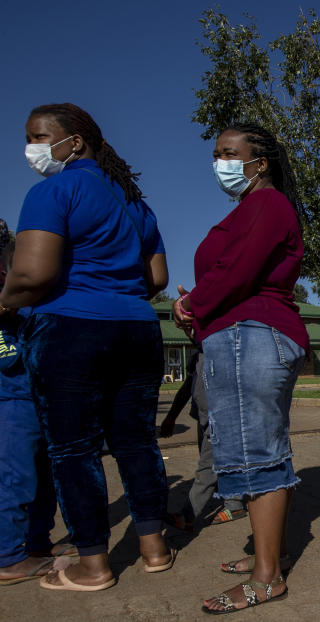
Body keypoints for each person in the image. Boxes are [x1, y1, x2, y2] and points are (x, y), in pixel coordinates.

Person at [0, 103, 173, 591]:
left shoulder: (53, 190)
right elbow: (157, 277)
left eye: (38, 136)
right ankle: (154, 547)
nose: (31, 148)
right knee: (136, 442)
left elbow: (33, 272)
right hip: (138, 330)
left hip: (72, 329)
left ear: (75, 141)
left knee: (73, 450)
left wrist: (5, 302)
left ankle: (93, 564)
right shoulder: (137, 203)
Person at [174, 123, 308, 613]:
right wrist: (199, 307)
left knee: (256, 454)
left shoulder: (267, 204)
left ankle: (267, 577)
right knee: (265, 449)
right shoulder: (252, 207)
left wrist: (193, 305)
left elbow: (237, 270)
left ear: (260, 162)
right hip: (244, 333)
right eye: (216, 153)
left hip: (250, 333)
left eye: (230, 153)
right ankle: (270, 556)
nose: (220, 163)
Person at [0, 227, 70, 586]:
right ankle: (8, 556)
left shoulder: (38, 305)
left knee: (46, 480)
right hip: (15, 403)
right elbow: (8, 358)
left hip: (43, 401)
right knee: (16, 480)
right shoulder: (6, 310)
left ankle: (38, 543)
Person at [160, 352, 247, 531]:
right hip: (204, 418)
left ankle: (188, 515)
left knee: (208, 466)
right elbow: (187, 387)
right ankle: (233, 500)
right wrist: (171, 416)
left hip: (220, 419)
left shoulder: (224, 347)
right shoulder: (199, 352)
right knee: (215, 461)